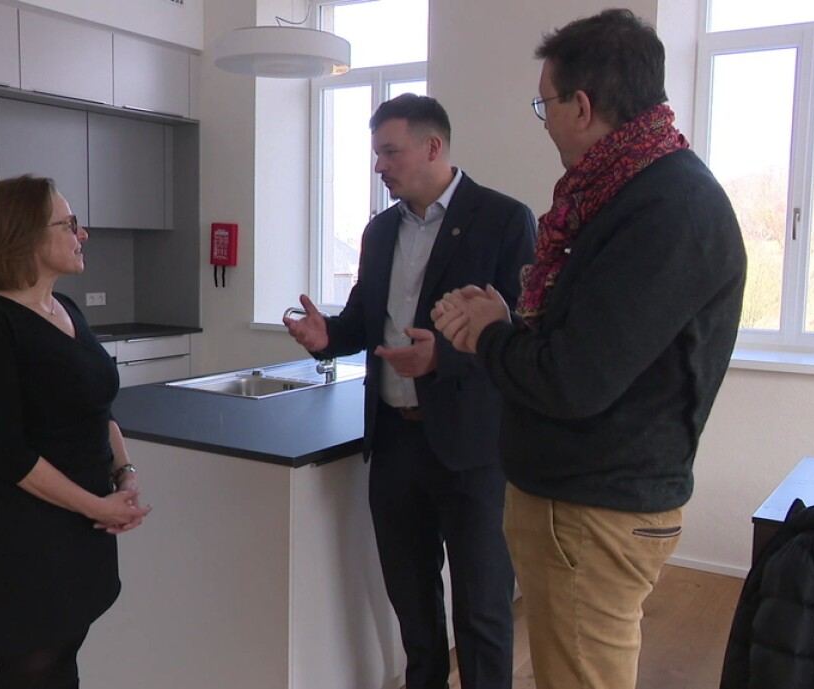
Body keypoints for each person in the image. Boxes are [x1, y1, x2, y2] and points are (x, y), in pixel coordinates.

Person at [432, 10, 746, 689]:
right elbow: (587, 341)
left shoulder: (667, 207)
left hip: (593, 515)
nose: (542, 120)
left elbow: (573, 378)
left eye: (544, 103)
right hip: (584, 506)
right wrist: (505, 323)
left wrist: (489, 330)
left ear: (582, 105)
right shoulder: (632, 191)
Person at [284, 94, 536, 689]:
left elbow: (523, 336)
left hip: (473, 450)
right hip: (396, 446)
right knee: (414, 609)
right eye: (376, 154)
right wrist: (326, 337)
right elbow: (362, 325)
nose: (380, 166)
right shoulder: (378, 232)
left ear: (433, 147)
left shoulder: (503, 219)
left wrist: (442, 356)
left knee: (481, 612)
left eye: (390, 152)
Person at [0, 175, 152, 689]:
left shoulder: (67, 311)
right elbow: (6, 453)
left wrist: (122, 473)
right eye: (70, 224)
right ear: (24, 235)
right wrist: (96, 506)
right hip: (21, 525)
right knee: (31, 660)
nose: (83, 235)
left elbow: (98, 407)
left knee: (65, 646)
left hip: (81, 514)